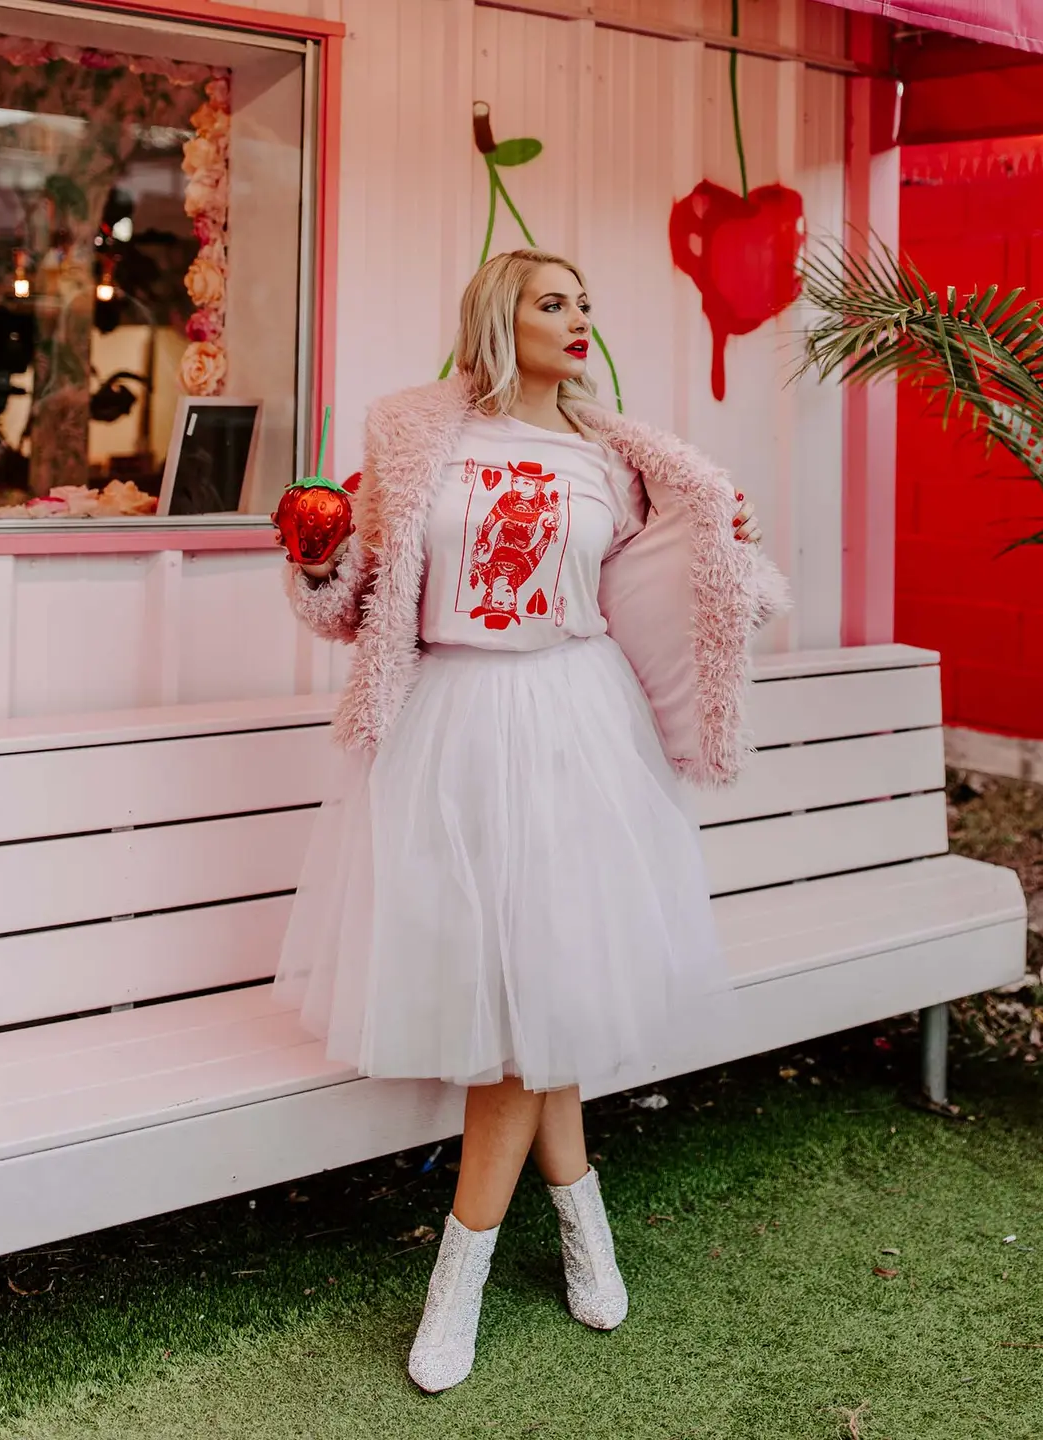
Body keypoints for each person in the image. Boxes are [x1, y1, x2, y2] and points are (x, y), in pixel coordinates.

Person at [273, 248, 784, 1394]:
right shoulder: (414, 440)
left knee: (526, 1006)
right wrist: (317, 553)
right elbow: (351, 603)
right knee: (523, 1002)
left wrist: (727, 546)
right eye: (556, 302)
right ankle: (582, 1224)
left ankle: (457, 1282)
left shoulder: (618, 459)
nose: (580, 319)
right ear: (501, 318)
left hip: (576, 726)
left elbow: (682, 593)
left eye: (586, 304)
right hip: (448, 731)